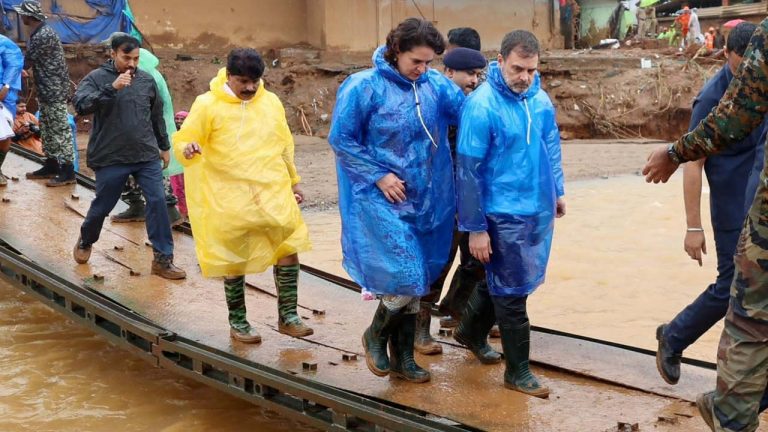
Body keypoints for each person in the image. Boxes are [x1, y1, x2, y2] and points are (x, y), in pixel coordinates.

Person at [643, 17, 768, 432]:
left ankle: (733, 402)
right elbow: (694, 163)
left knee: (741, 297)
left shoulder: (751, 83)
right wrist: (693, 227)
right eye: (741, 63)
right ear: (730, 55)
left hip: (756, 198)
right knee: (734, 290)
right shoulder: (714, 96)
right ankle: (675, 339)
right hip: (737, 209)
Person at [328, 18, 464, 383]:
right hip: (380, 197)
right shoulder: (363, 87)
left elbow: (470, 114)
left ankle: (404, 359)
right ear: (396, 51)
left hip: (426, 199)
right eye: (415, 62)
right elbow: (342, 139)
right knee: (406, 275)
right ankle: (376, 333)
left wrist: (498, 85)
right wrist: (379, 175)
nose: (422, 69)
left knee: (418, 281)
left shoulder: (434, 85)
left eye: (429, 63)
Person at [173, 48, 313, 344]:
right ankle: (238, 322)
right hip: (229, 194)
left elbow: (284, 144)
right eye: (243, 81)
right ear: (228, 75)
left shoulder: (270, 102)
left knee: (287, 245)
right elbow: (185, 139)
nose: (250, 87)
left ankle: (288, 316)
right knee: (233, 257)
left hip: (271, 188)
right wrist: (187, 149)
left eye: (255, 81)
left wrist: (294, 182)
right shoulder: (207, 105)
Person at [456, 30, 565, 398]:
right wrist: (475, 227)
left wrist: (558, 192)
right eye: (518, 68)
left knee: (504, 281)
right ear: (499, 61)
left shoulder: (539, 101)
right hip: (498, 212)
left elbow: (550, 148)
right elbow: (468, 171)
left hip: (534, 208)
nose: (525, 77)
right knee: (513, 293)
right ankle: (518, 371)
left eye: (532, 70)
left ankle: (469, 330)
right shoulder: (482, 105)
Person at [71, 34, 186, 281]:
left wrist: (164, 147)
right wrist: (112, 89)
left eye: (135, 58)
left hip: (145, 154)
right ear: (112, 54)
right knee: (104, 204)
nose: (132, 64)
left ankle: (163, 259)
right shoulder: (97, 79)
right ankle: (87, 238)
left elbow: (156, 116)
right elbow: (80, 105)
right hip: (111, 155)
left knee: (157, 202)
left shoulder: (146, 80)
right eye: (126, 58)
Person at [412, 46, 487, 356]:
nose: (474, 80)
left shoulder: (476, 107)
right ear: (448, 73)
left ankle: (456, 314)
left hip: (472, 199)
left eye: (478, 75)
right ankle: (419, 331)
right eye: (469, 74)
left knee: (477, 262)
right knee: (438, 263)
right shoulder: (436, 107)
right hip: (441, 201)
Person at [106, 38, 183, 226]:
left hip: (148, 131)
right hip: (149, 130)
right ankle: (148, 207)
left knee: (150, 169)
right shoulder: (150, 71)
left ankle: (163, 210)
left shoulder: (143, 75)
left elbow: (147, 107)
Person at [16, 0, 76, 186]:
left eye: (22, 14)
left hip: (55, 91)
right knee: (48, 129)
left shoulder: (43, 35)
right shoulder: (39, 32)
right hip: (46, 90)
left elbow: (27, 61)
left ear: (28, 16)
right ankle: (51, 165)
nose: (21, 17)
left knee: (60, 130)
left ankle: (68, 172)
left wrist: (18, 69)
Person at [0, 33, 24, 186]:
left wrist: (6, 86)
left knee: (4, 134)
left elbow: (14, 62)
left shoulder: (4, 42)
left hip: (3, 95)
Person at [170, 111, 188, 219]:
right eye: (177, 119)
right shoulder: (172, 132)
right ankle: (182, 212)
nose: (179, 121)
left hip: (187, 165)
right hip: (174, 166)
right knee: (176, 188)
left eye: (182, 119)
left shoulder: (191, 133)